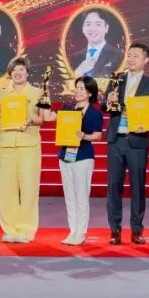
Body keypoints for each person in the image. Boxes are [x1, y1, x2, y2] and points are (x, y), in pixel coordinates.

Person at [0, 57, 51, 243]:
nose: (18, 73)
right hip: (6, 146)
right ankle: (10, 229)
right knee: (6, 190)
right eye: (14, 70)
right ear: (10, 74)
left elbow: (43, 119)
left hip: (28, 146)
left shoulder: (38, 92)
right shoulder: (0, 94)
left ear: (27, 73)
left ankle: (26, 230)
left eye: (21, 69)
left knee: (29, 189)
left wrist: (30, 120)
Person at [103, 42, 149, 245]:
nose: (131, 59)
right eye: (129, 55)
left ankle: (137, 229)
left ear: (145, 60)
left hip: (137, 141)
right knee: (113, 186)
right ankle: (114, 229)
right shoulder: (116, 80)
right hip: (116, 140)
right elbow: (105, 107)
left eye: (136, 55)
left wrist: (146, 126)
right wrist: (108, 100)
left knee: (137, 187)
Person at [58, 76, 104, 246]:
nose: (77, 91)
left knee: (81, 196)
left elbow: (98, 135)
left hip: (83, 157)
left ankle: (81, 232)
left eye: (82, 88)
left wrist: (84, 136)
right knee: (69, 197)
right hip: (65, 156)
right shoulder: (67, 109)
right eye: (76, 87)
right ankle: (72, 230)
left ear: (90, 93)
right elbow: (53, 119)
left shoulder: (94, 113)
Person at [71, 10, 125, 78]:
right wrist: (79, 71)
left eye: (98, 24)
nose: (93, 29)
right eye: (88, 24)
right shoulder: (75, 57)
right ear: (83, 29)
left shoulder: (118, 55)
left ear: (106, 28)